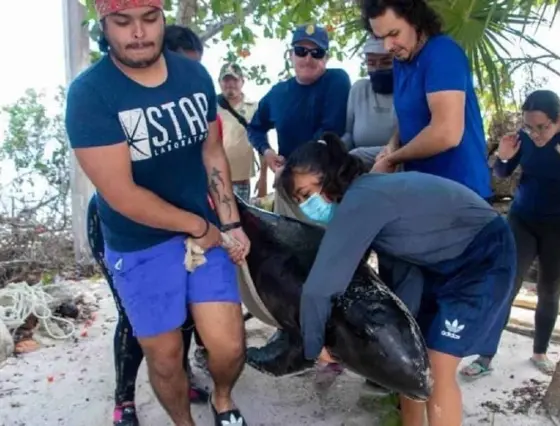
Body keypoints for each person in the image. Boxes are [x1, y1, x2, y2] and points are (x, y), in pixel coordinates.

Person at [65, 2, 250, 426]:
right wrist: (200, 226)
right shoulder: (91, 94)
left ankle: (223, 398)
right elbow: (121, 194)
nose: (139, 33)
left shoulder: (193, 76)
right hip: (139, 242)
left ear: (163, 18)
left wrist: (231, 221)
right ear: (103, 25)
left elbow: (212, 151)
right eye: (123, 22)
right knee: (166, 358)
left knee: (229, 346)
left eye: (149, 19)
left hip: (204, 231)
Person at [277, 132, 516, 426]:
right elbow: (399, 270)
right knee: (414, 364)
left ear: (329, 176)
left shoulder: (362, 200)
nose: (306, 204)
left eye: (306, 193)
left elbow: (320, 287)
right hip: (441, 263)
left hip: (482, 257)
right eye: (299, 200)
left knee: (438, 370)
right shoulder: (365, 197)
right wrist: (407, 324)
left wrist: (315, 348)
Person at [460, 90, 560, 379]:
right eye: (530, 126)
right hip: (523, 220)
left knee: (550, 292)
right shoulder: (523, 139)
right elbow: (503, 173)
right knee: (507, 286)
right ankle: (485, 355)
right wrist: (502, 158)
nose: (536, 134)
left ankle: (540, 351)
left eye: (543, 127)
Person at [87, 196, 208, 426]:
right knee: (132, 315)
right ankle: (124, 399)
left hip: (175, 220)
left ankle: (180, 380)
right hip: (118, 223)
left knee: (182, 308)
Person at [360, 0, 492, 201]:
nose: (387, 46)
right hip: (425, 191)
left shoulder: (442, 53)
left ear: (415, 20)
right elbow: (412, 118)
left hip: (461, 193)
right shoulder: (400, 61)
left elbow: (446, 133)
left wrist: (393, 160)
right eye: (380, 38)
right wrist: (392, 145)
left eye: (394, 34)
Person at [247, 23, 351, 220]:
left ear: (326, 57)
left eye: (317, 52)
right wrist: (266, 151)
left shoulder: (337, 80)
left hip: (327, 186)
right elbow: (254, 128)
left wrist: (291, 167)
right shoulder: (277, 93)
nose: (308, 58)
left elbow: (330, 131)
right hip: (289, 188)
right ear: (291, 55)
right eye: (301, 51)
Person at [342, 36, 397, 168]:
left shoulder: (410, 92)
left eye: (386, 62)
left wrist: (358, 156)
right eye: (371, 63)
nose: (378, 69)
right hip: (357, 169)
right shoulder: (359, 89)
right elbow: (348, 134)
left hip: (398, 167)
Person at [217, 62, 268, 202]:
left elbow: (263, 145)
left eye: (235, 79)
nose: (230, 84)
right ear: (219, 82)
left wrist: (263, 179)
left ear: (242, 82)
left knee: (240, 220)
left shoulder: (255, 107)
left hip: (241, 180)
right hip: (214, 179)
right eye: (226, 80)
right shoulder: (210, 107)